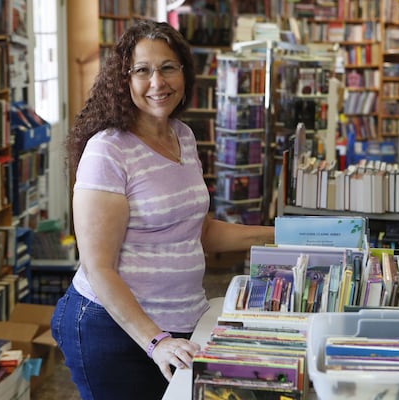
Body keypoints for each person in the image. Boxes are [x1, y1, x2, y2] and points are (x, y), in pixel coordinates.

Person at [51, 20, 274, 400]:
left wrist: (286, 234)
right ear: (124, 80)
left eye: (168, 67)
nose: (158, 82)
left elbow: (198, 231)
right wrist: (156, 341)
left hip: (179, 324)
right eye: (142, 70)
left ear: (184, 72)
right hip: (115, 332)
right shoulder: (108, 150)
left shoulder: (183, 136)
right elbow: (98, 267)